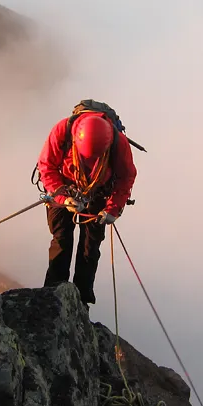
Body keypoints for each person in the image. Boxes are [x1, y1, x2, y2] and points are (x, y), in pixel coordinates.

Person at [36, 109, 138, 307]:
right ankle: (53, 293)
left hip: (97, 193)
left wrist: (112, 209)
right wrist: (64, 198)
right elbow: (47, 166)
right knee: (61, 238)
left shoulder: (119, 143)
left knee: (89, 247)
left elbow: (126, 177)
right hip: (63, 187)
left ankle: (81, 299)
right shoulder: (62, 130)